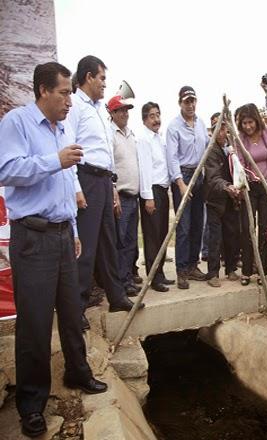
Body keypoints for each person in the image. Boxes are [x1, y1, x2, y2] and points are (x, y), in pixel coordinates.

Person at [0, 62, 107, 438]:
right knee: (35, 324)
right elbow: (6, 169)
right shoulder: (17, 123)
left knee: (72, 309)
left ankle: (78, 372)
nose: (68, 101)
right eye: (64, 93)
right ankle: (31, 404)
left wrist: (73, 228)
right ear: (43, 90)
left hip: (62, 234)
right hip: (33, 237)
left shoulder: (63, 128)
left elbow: (65, 185)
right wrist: (53, 161)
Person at [67, 55, 143, 329]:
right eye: (101, 78)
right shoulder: (74, 105)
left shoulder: (100, 108)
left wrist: (111, 186)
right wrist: (76, 187)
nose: (104, 84)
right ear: (88, 77)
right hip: (85, 178)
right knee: (85, 247)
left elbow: (105, 152)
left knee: (108, 244)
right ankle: (76, 308)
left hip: (103, 181)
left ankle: (117, 296)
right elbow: (68, 146)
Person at [166, 86, 210, 289]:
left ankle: (193, 265)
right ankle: (181, 269)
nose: (190, 105)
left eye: (193, 101)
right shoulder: (174, 127)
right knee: (183, 226)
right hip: (183, 176)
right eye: (186, 101)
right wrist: (180, 183)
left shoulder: (201, 124)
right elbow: (172, 157)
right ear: (180, 103)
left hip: (198, 174)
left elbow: (208, 147)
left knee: (197, 223)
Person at [237, 103, 267, 285]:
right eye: (244, 123)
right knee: (248, 229)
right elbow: (239, 164)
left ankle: (263, 270)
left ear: (256, 120)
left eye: (251, 122)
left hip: (266, 187)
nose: (248, 127)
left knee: (264, 229)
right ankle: (247, 271)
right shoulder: (240, 139)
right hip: (249, 188)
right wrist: (240, 186)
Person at [137, 102, 175, 292]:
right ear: (144, 119)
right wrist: (148, 197)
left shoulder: (158, 138)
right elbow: (144, 170)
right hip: (151, 192)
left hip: (162, 190)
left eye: (158, 115)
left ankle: (159, 273)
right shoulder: (144, 139)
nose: (156, 119)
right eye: (151, 116)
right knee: (152, 236)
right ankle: (153, 277)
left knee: (161, 234)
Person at [107, 94, 141, 296]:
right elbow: (110, 167)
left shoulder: (130, 134)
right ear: (112, 113)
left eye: (127, 110)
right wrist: (114, 194)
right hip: (121, 196)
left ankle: (127, 279)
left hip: (133, 196)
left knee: (130, 242)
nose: (125, 114)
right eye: (121, 110)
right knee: (119, 242)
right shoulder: (110, 135)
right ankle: (120, 283)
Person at [203, 117, 241, 287]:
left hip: (231, 200)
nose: (221, 132)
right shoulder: (211, 150)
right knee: (215, 237)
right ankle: (213, 273)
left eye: (224, 129)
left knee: (231, 235)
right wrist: (227, 186)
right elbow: (212, 178)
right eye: (217, 129)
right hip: (215, 200)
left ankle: (231, 268)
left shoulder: (232, 148)